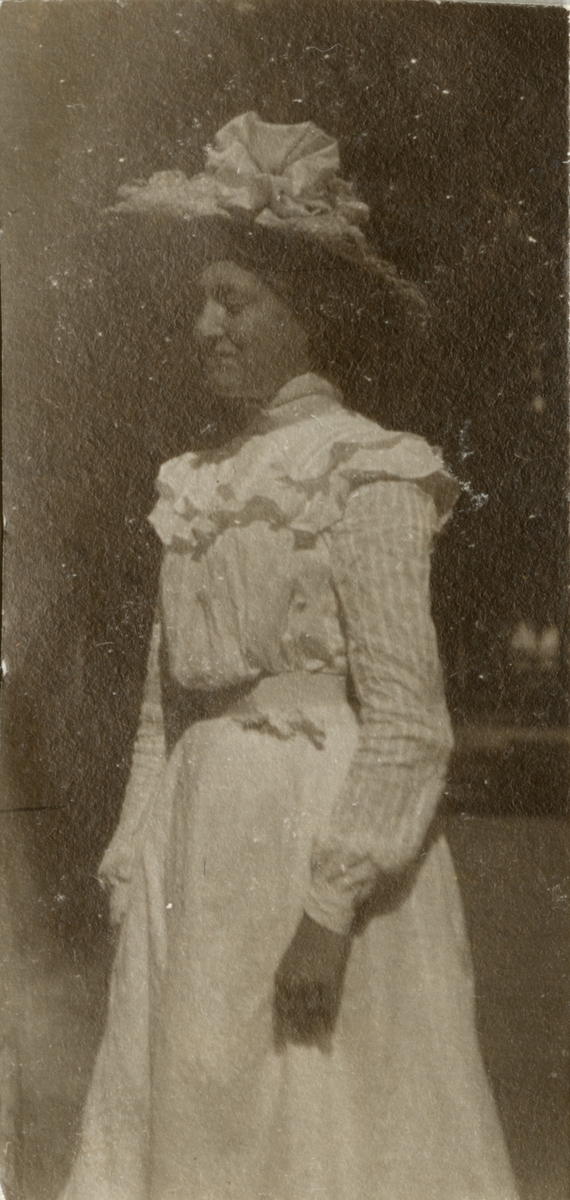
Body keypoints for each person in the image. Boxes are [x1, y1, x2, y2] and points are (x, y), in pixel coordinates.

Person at [61, 113, 518, 1200]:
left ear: (304, 313)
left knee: (321, 1130)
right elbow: (165, 708)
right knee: (198, 1132)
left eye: (235, 300)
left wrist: (329, 908)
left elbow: (408, 722)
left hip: (316, 845)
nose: (205, 326)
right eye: (201, 301)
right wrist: (134, 860)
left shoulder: (369, 472)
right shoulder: (192, 484)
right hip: (199, 853)